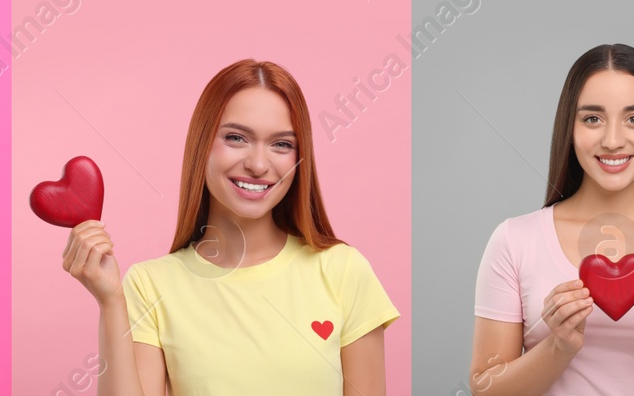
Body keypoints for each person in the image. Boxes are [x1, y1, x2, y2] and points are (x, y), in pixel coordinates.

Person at [63, 59, 399, 395]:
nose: (257, 164)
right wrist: (110, 304)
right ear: (202, 144)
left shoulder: (343, 271)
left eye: (282, 144)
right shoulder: (151, 285)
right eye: (237, 138)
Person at [469, 44, 634, 395]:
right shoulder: (514, 240)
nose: (613, 140)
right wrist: (558, 346)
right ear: (570, 127)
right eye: (592, 118)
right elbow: (484, 388)